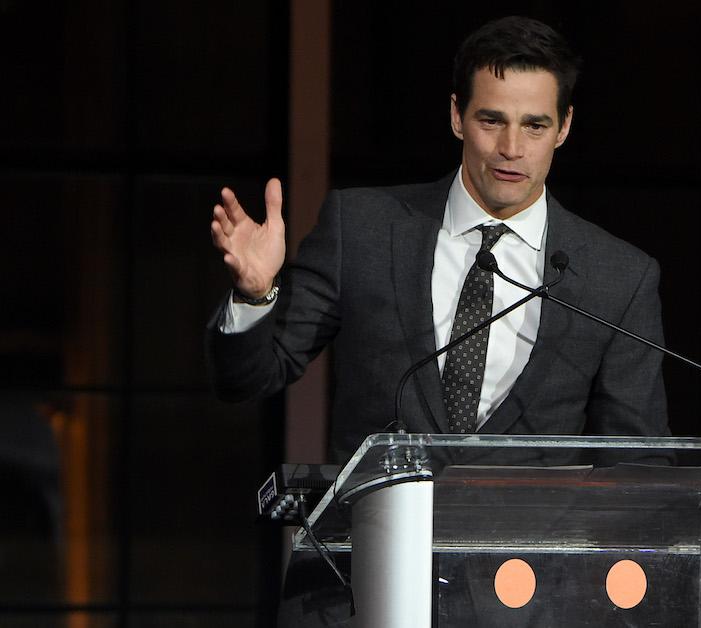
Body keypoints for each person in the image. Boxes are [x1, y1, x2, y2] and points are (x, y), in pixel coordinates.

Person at [205, 16, 669, 626]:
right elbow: (252, 376)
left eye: (534, 126)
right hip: (356, 592)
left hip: (527, 604)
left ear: (564, 129)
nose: (511, 149)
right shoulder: (364, 229)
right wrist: (256, 294)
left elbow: (635, 469)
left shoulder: (616, 277)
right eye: (491, 120)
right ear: (457, 116)